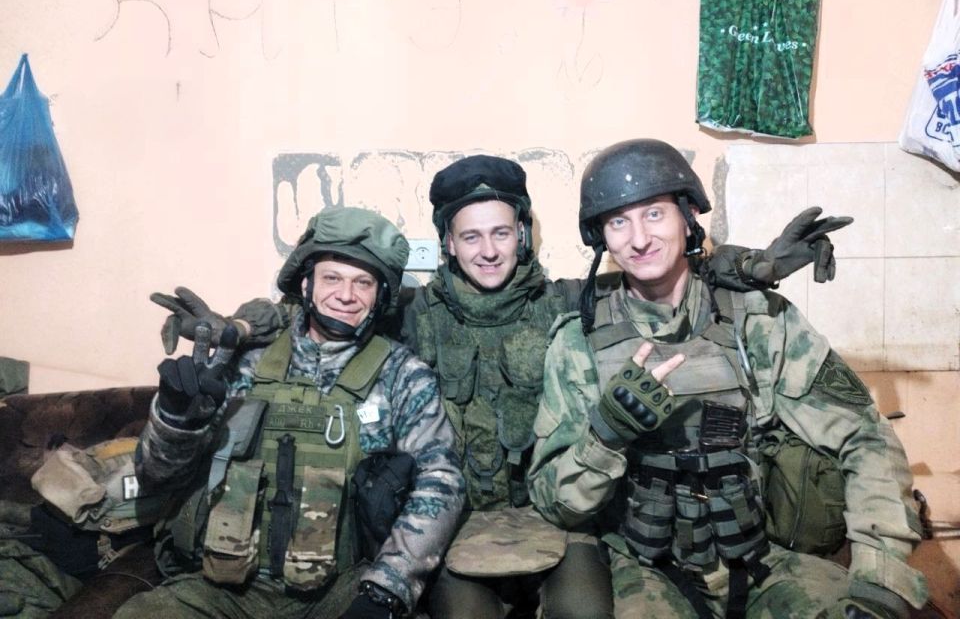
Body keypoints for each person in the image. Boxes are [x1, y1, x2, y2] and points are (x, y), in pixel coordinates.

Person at [151, 154, 852, 619]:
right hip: (458, 526)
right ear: (447, 244)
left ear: (522, 235)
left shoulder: (568, 303)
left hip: (562, 521)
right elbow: (319, 304)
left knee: (584, 614)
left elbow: (656, 267)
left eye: (502, 232)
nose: (488, 250)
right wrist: (235, 327)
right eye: (470, 236)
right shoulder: (410, 312)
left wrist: (750, 267)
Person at [526, 139, 928, 619]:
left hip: (761, 560)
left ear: (688, 215)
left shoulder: (759, 321)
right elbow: (554, 502)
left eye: (654, 214)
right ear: (601, 238)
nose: (639, 239)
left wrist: (881, 580)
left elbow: (865, 438)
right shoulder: (579, 342)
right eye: (618, 222)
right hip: (643, 569)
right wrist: (606, 435)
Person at [114, 206, 465, 619]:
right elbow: (155, 477)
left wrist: (387, 588)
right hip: (223, 590)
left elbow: (441, 482)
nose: (346, 295)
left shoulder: (402, 377)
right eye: (332, 278)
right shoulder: (243, 363)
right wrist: (174, 419)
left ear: (380, 296)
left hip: (340, 589)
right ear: (306, 283)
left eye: (363, 283)